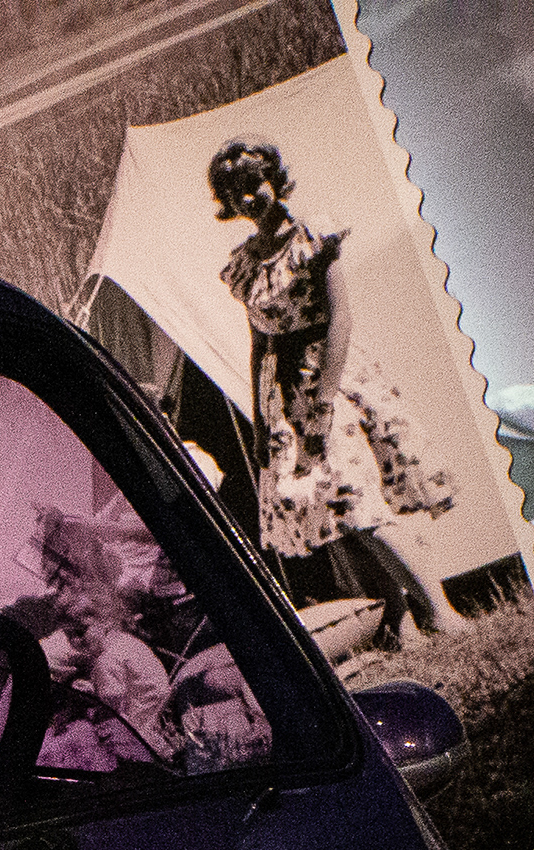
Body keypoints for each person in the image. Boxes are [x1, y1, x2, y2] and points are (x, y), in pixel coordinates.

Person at [210, 137, 454, 646]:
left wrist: (323, 402)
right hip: (283, 392)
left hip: (329, 377)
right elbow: (260, 341)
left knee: (359, 501)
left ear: (274, 180)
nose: (249, 198)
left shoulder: (312, 238)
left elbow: (340, 318)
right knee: (333, 516)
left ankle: (439, 608)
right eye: (236, 192)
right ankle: (401, 622)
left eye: (255, 184)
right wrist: (262, 419)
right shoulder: (244, 265)